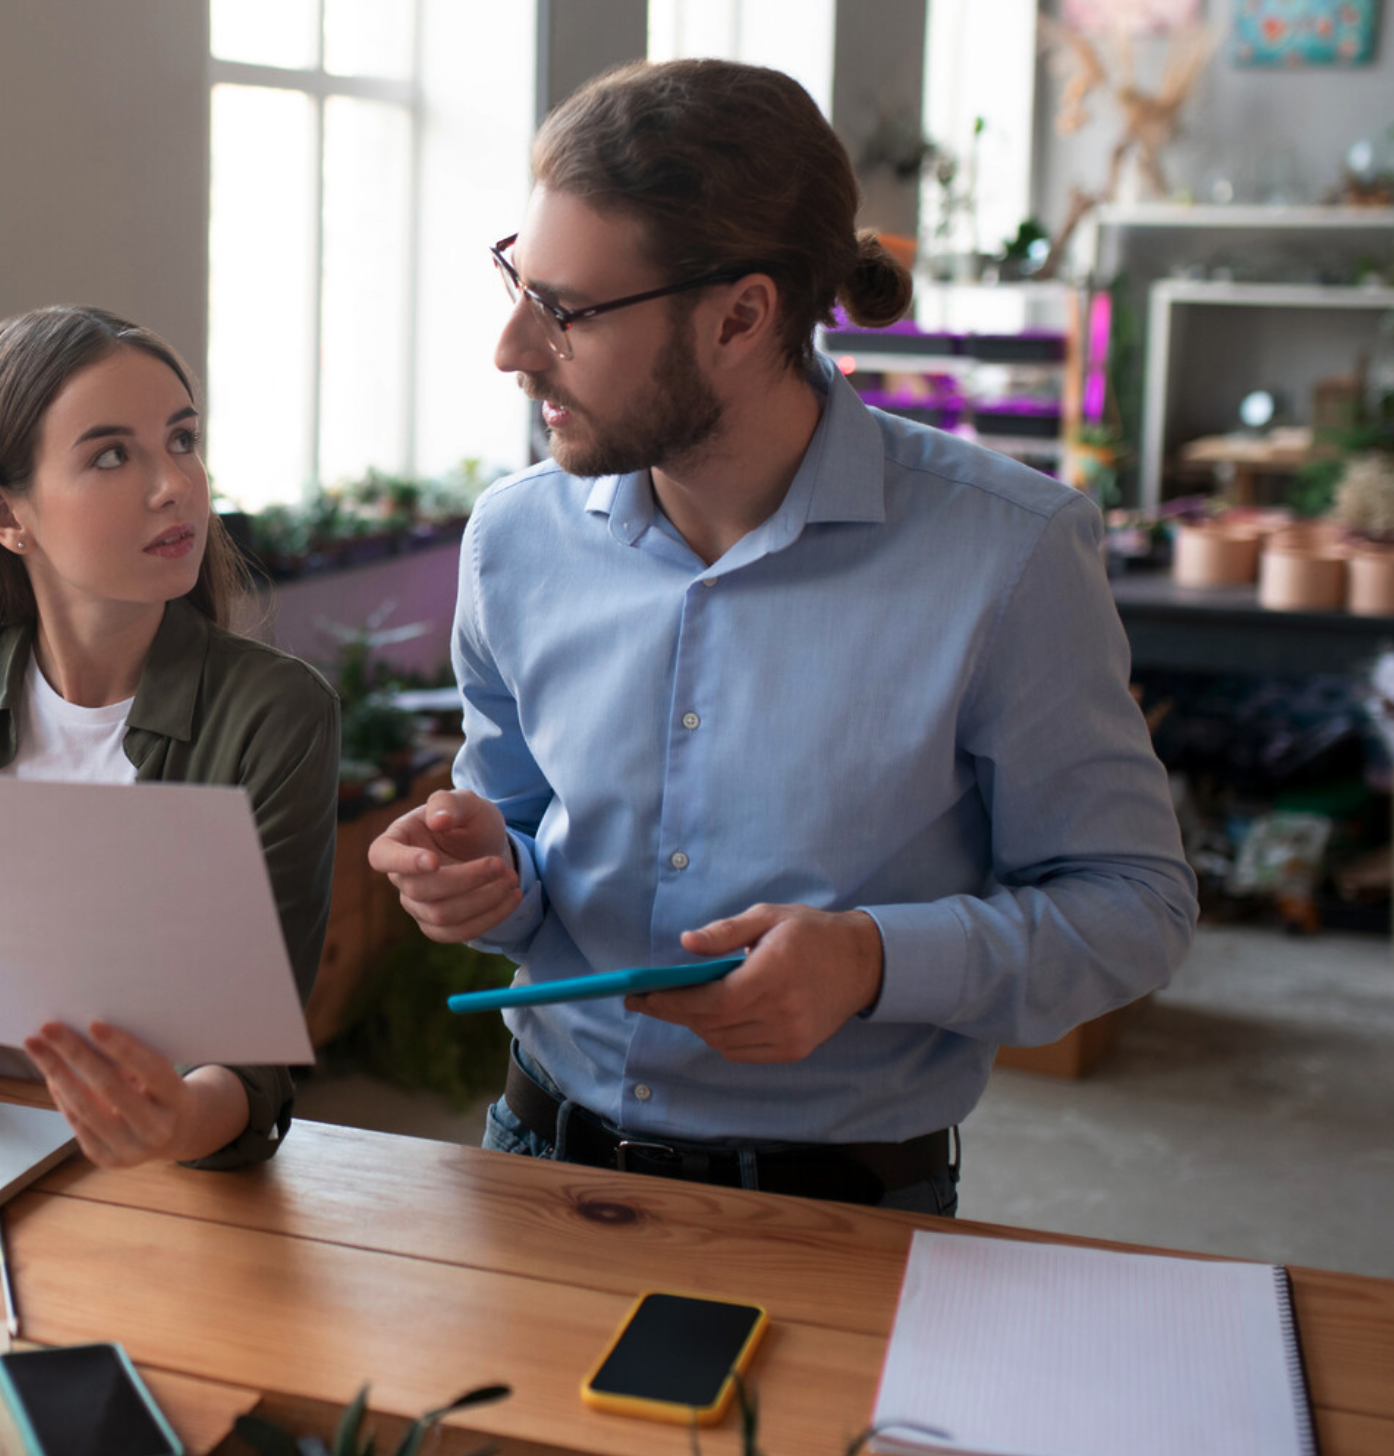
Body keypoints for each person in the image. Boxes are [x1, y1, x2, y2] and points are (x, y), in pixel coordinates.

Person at [369, 60, 1197, 1213]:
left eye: (563, 310)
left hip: (838, 1206)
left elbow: (1132, 906)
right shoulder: (514, 539)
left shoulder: (1007, 552)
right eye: (517, 281)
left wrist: (870, 961)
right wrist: (481, 876)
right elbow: (515, 833)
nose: (510, 349)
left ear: (740, 316)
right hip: (535, 1158)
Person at [0, 305, 339, 1171]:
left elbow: (253, 1068)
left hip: (167, 1177)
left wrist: (175, 1122)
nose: (174, 485)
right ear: (9, 516)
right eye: (112, 455)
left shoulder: (277, 715)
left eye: (182, 440)